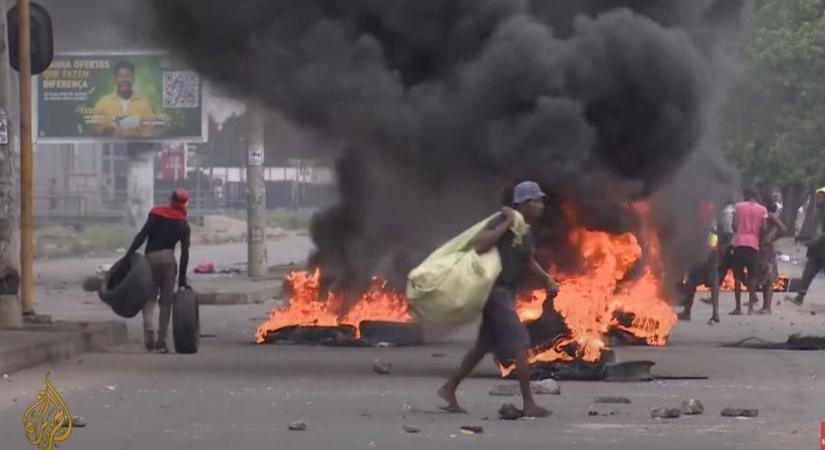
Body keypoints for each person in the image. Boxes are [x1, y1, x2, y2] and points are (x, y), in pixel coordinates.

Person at [439, 181, 558, 418]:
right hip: (495, 292)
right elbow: (481, 245)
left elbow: (527, 260)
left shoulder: (524, 229)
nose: (542, 206)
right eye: (537, 201)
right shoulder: (500, 221)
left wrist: (546, 279)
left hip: (505, 292)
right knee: (521, 343)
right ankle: (528, 404)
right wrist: (506, 223)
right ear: (522, 203)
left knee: (482, 346)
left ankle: (449, 388)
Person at [126, 189, 192, 353]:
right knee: (166, 302)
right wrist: (182, 278)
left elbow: (142, 235)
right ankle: (161, 342)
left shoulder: (156, 214)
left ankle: (149, 328)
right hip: (169, 260)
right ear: (184, 204)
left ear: (171, 200)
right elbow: (185, 254)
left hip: (150, 258)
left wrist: (129, 254)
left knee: (149, 297)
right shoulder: (183, 224)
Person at [679, 202, 720, 324]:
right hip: (712, 248)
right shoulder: (713, 208)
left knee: (691, 282)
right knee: (714, 282)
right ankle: (715, 313)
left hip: (700, 248)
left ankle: (687, 312)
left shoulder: (700, 206)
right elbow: (717, 235)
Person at [91, 61, 156, 138]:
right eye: (120, 76)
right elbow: (95, 131)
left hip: (137, 149)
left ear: (133, 79)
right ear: (115, 79)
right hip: (110, 149)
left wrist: (130, 135)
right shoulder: (102, 103)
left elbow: (149, 132)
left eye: (128, 76)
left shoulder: (144, 105)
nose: (125, 79)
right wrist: (106, 130)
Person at [730, 187, 768, 315]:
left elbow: (734, 225)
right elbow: (764, 227)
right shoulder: (762, 209)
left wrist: (740, 231)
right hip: (753, 245)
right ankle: (751, 308)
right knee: (752, 277)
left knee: (737, 277)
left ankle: (738, 307)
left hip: (739, 243)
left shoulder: (738, 206)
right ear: (756, 196)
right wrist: (757, 237)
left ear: (746, 195)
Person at [790, 188, 825, 306]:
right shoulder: (819, 211)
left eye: (820, 198)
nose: (817, 200)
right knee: (808, 272)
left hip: (820, 247)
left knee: (809, 271)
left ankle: (800, 296)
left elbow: (820, 232)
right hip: (817, 249)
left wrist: (813, 241)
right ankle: (800, 296)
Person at [755, 201, 787, 314]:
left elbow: (783, 229)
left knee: (768, 279)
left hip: (766, 249)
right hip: (760, 248)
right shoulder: (762, 215)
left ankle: (767, 307)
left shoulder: (769, 215)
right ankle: (764, 306)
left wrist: (771, 238)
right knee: (763, 278)